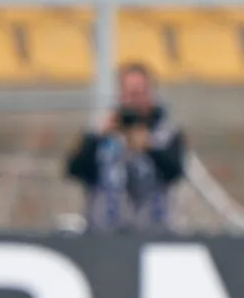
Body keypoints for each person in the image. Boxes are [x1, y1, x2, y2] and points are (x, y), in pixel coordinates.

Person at [65, 62, 186, 233]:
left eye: (140, 93)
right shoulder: (100, 133)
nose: (134, 101)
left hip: (153, 230)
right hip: (104, 232)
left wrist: (149, 148)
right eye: (129, 94)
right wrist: (94, 139)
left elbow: (175, 172)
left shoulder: (166, 134)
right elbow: (74, 169)